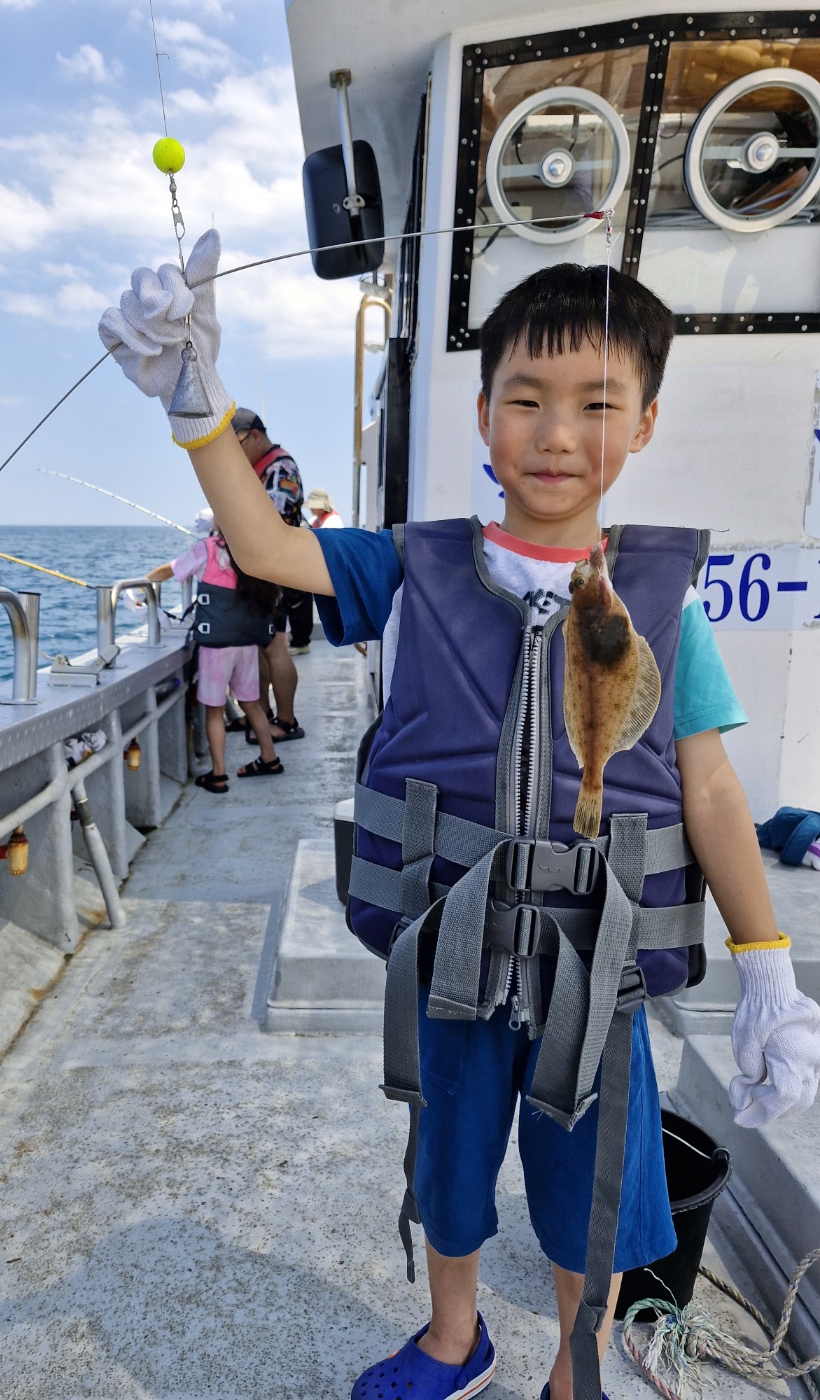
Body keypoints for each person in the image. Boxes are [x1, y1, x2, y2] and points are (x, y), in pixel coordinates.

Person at [100, 233, 820, 1400]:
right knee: (448, 1154)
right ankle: (454, 1335)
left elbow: (711, 786)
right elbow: (265, 544)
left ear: (642, 425)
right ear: (482, 415)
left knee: (590, 1182)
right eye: (524, 398)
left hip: (598, 957)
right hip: (452, 945)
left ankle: (574, 1364)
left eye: (597, 403)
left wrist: (770, 967)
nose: (556, 430)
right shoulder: (412, 566)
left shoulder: (661, 607)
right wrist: (200, 403)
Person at [145, 520, 283, 792]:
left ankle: (218, 774)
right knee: (252, 703)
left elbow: (173, 570)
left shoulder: (206, 548)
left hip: (215, 646)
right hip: (246, 642)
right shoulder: (253, 551)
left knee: (214, 710)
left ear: (219, 523)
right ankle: (269, 758)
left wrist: (146, 581)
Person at [231, 406, 315, 695]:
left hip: (276, 577)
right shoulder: (264, 468)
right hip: (262, 575)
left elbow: (271, 520)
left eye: (236, 446)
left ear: (254, 436)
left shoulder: (280, 469)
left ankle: (287, 720)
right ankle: (264, 715)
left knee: (276, 646)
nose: (235, 456)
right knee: (262, 647)